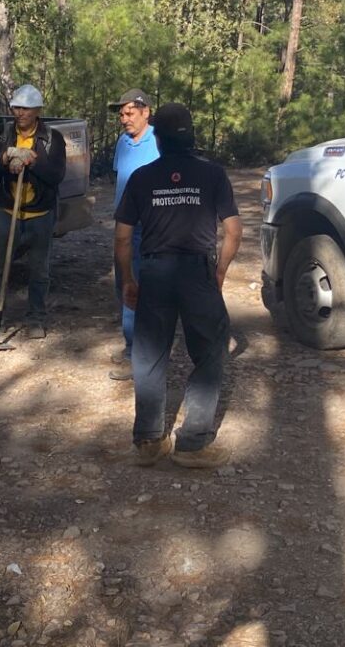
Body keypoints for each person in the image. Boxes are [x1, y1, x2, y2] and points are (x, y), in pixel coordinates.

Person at [114, 103, 240, 468]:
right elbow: (233, 231)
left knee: (149, 355)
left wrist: (129, 280)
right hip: (197, 273)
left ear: (159, 137)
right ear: (192, 134)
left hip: (155, 273)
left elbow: (122, 238)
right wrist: (219, 274)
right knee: (209, 352)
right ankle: (194, 445)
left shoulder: (142, 178)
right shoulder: (213, 175)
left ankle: (149, 441)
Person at [0, 84, 68, 340]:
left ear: (38, 110)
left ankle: (35, 319)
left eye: (26, 109)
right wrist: (5, 157)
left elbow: (56, 175)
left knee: (39, 270)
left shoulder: (53, 139)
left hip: (40, 213)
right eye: (17, 107)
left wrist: (34, 161)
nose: (20, 113)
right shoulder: (2, 133)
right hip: (6, 211)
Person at [107, 88, 159, 380]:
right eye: (121, 114)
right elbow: (121, 179)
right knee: (123, 284)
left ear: (145, 111)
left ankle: (136, 354)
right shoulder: (123, 142)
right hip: (123, 226)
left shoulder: (159, 142)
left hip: (150, 226)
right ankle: (132, 344)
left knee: (138, 286)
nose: (124, 119)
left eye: (129, 113)